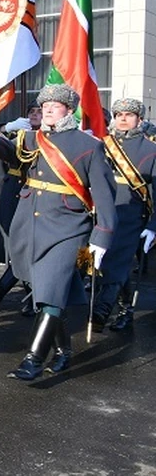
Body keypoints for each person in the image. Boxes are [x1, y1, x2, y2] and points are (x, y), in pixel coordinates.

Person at [0, 83, 117, 380]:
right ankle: (64, 351)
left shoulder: (89, 145)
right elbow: (14, 156)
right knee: (46, 294)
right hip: (31, 225)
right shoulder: (32, 138)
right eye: (45, 105)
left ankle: (33, 359)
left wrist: (102, 235)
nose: (48, 109)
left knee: (52, 291)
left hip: (69, 228)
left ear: (69, 109)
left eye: (55, 105)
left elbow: (104, 195)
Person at [90, 98, 156, 332]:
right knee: (103, 262)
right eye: (119, 115)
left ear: (139, 119)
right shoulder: (102, 145)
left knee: (116, 260)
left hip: (130, 213)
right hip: (99, 211)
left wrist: (153, 224)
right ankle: (126, 308)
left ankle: (101, 311)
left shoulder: (151, 149)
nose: (123, 119)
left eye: (129, 115)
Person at [0, 101, 42, 310]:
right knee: (12, 244)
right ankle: (10, 289)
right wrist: (5, 127)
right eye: (32, 111)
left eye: (40, 111)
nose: (36, 115)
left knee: (32, 246)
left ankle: (30, 294)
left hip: (36, 194)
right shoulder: (18, 135)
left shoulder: (50, 138)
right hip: (12, 193)